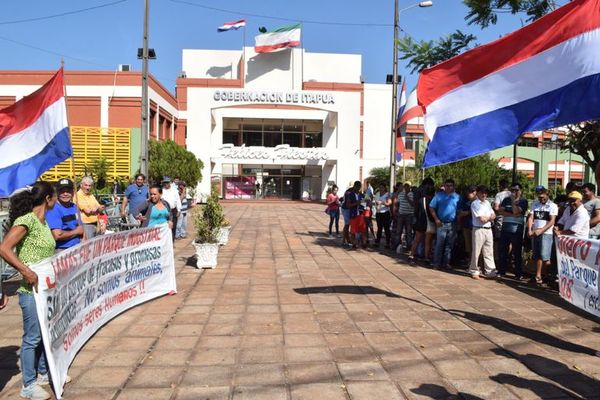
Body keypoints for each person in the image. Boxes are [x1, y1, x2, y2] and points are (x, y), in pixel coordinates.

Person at [0, 182, 57, 400]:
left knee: (44, 333)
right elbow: (4, 248)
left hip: (44, 288)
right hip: (29, 289)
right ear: (48, 199)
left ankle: (42, 372)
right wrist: (26, 271)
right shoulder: (27, 221)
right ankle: (28, 384)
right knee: (32, 337)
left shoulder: (43, 222)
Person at [527, 188, 558, 285]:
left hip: (546, 233)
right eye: (539, 197)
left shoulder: (552, 206)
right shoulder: (535, 204)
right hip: (535, 233)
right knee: (537, 255)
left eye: (543, 196)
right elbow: (531, 217)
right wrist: (529, 229)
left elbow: (552, 221)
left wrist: (541, 230)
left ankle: (543, 275)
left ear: (547, 194)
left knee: (544, 256)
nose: (541, 199)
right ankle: (539, 275)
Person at [497, 183, 528, 279]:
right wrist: (512, 214)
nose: (514, 192)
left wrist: (513, 202)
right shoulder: (506, 199)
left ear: (520, 191)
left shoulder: (523, 201)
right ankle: (502, 271)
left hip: (516, 229)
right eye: (512, 190)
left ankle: (518, 273)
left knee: (517, 252)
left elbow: (516, 211)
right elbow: (500, 211)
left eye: (516, 190)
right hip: (505, 227)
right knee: (503, 251)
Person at [429, 178, 460, 269]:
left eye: (451, 185)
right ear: (444, 186)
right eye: (447, 185)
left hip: (453, 224)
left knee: (449, 245)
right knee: (439, 244)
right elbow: (431, 207)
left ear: (454, 187)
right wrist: (436, 219)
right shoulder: (438, 196)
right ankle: (436, 263)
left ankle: (446, 263)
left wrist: (459, 223)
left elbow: (460, 211)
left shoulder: (457, 197)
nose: (449, 187)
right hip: (441, 223)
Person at [45, 178, 84, 252]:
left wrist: (84, 242)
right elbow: (57, 235)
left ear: (72, 192)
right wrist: (76, 232)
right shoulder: (53, 209)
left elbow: (81, 228)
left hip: (78, 247)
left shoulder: (74, 206)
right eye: (62, 191)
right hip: (62, 250)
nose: (65, 194)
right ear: (57, 192)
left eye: (68, 191)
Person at [469, 185, 497, 279]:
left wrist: (488, 218)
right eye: (482, 192)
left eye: (485, 193)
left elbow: (494, 215)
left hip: (488, 229)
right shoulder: (475, 204)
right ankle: (474, 270)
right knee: (476, 251)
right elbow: (482, 219)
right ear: (477, 193)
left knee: (489, 251)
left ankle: (490, 271)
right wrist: (489, 218)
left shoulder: (487, 203)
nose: (484, 194)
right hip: (479, 229)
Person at [409, 178, 435, 262]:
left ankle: (411, 255)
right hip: (430, 222)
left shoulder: (420, 199)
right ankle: (426, 257)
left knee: (417, 239)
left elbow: (416, 210)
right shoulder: (433, 200)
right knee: (428, 241)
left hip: (420, 221)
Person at [457, 186, 477, 266]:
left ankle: (476, 263)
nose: (468, 194)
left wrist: (467, 213)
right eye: (468, 192)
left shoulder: (479, 201)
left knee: (476, 246)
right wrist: (469, 212)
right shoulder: (463, 200)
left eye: (471, 192)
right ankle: (470, 262)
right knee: (468, 246)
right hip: (466, 226)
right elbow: (460, 213)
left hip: (475, 227)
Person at [341, 181, 362, 247]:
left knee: (350, 224)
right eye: (357, 187)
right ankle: (345, 239)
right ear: (354, 186)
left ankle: (347, 239)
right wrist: (356, 203)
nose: (358, 189)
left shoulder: (357, 192)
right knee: (347, 224)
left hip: (352, 209)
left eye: (359, 187)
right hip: (346, 209)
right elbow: (348, 204)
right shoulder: (349, 192)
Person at [374, 183, 392, 248]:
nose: (381, 189)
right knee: (379, 228)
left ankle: (388, 243)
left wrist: (382, 202)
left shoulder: (387, 194)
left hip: (385, 213)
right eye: (380, 187)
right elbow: (375, 201)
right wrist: (376, 203)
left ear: (385, 188)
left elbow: (389, 203)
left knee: (386, 228)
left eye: (382, 187)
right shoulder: (377, 194)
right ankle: (377, 242)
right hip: (378, 212)